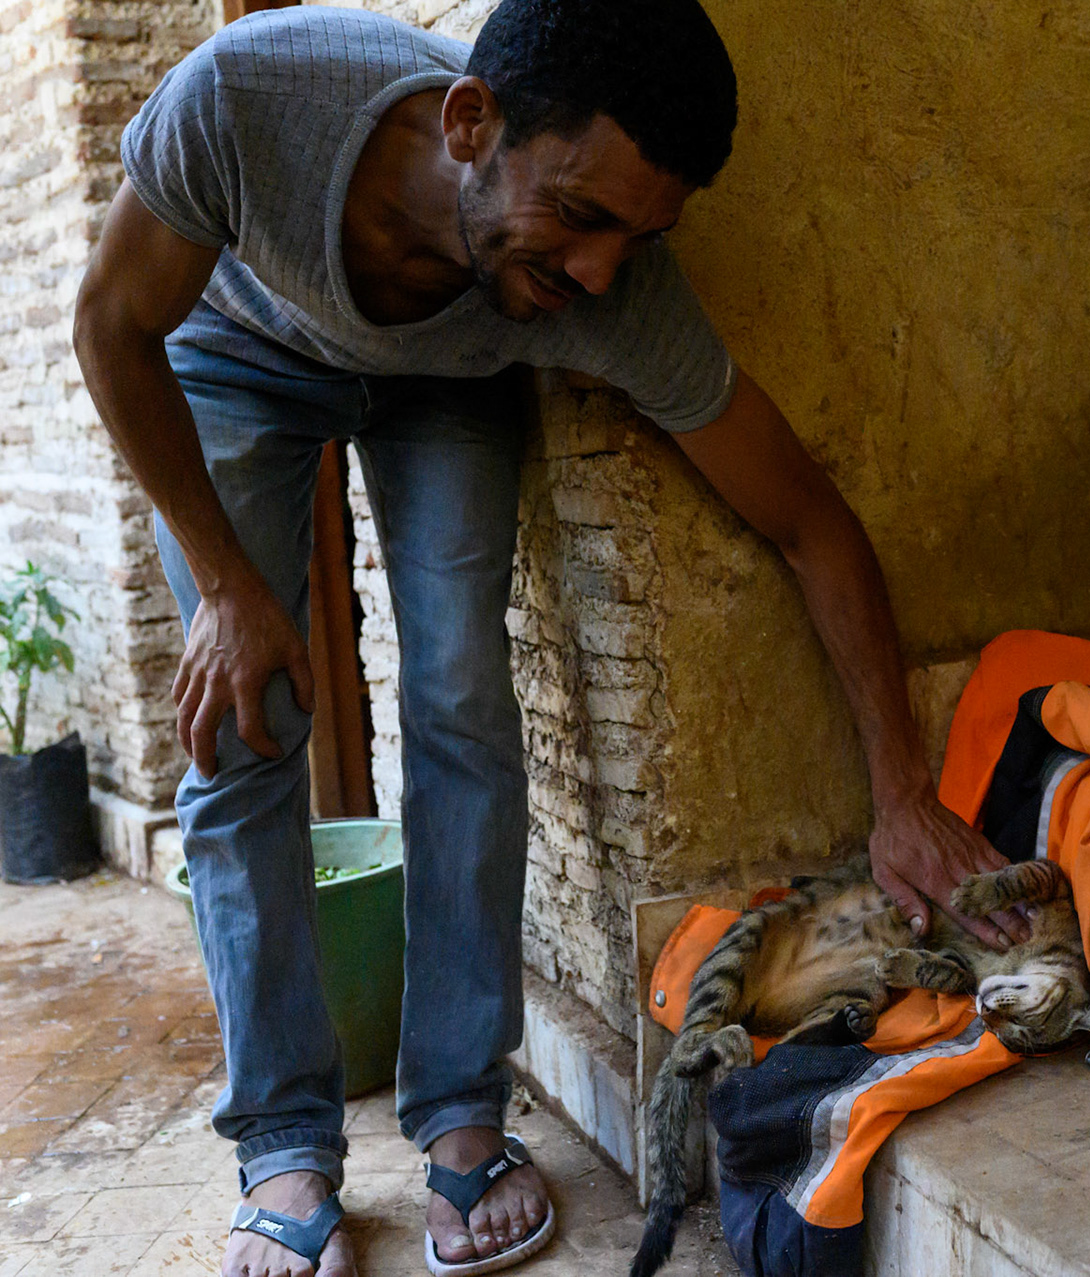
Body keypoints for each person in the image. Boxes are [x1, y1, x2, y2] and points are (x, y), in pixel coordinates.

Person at [72, 1, 1026, 1273]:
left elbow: (809, 523)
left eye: (639, 239)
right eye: (579, 219)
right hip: (237, 349)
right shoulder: (246, 96)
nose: (597, 278)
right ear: (471, 124)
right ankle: (284, 1142)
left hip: (447, 381)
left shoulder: (597, 288)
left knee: (463, 690)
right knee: (242, 725)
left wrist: (902, 790)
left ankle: (465, 1117)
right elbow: (111, 324)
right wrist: (232, 584)